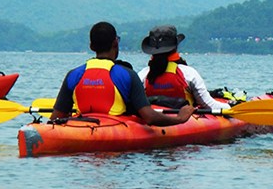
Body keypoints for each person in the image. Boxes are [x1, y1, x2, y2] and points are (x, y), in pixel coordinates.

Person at [50, 22, 194, 126]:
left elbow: (55, 118)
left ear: (91, 46)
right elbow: (150, 118)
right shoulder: (127, 75)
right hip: (114, 128)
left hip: (81, 128)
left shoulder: (73, 75)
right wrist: (180, 118)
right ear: (115, 43)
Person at [138, 25, 230, 110]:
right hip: (185, 120)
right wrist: (230, 106)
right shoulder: (189, 74)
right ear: (175, 48)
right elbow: (209, 105)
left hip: (155, 117)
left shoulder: (143, 75)